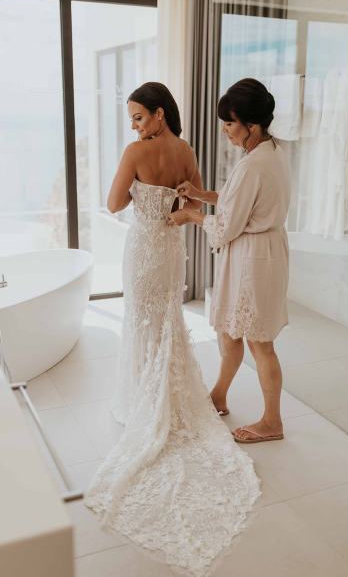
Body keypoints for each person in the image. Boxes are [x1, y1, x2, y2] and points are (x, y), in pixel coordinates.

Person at [84, 82, 261, 577]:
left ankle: (147, 398)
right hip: (169, 252)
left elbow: (114, 203)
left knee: (142, 323)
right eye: (132, 120)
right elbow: (197, 208)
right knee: (166, 321)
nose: (135, 126)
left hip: (142, 250)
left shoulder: (135, 152)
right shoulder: (185, 150)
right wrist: (174, 205)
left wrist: (138, 175)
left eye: (139, 117)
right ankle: (169, 395)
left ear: (160, 114)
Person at [167, 78, 291, 444]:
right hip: (261, 251)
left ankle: (272, 421)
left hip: (253, 258)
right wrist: (201, 194)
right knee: (230, 330)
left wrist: (191, 215)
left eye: (229, 124)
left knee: (259, 342)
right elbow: (239, 201)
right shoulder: (272, 153)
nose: (225, 132)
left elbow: (225, 228)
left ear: (251, 125)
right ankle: (219, 394)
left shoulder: (253, 165)